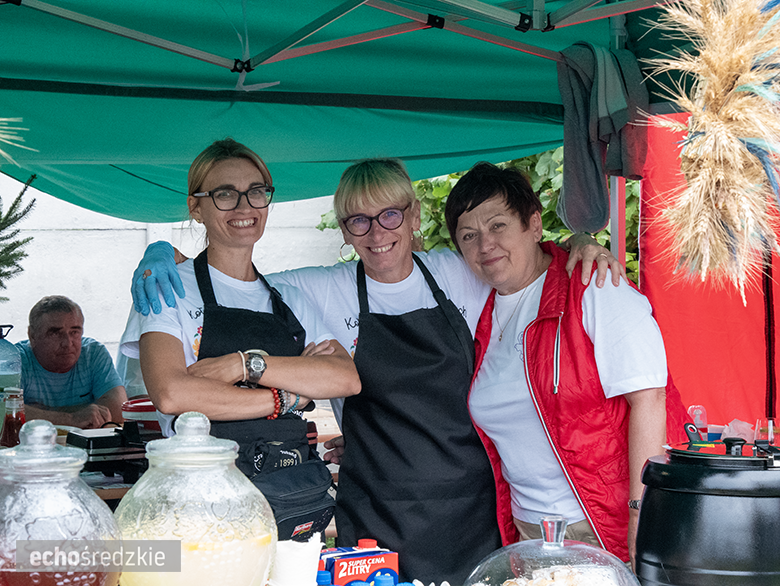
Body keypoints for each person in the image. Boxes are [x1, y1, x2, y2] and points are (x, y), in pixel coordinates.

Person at [131, 158, 622, 584]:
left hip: (473, 507)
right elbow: (234, 276)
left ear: (414, 215)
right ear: (345, 231)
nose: (377, 232)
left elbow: (524, 262)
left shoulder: (459, 272)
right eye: (359, 221)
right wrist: (163, 254)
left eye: (390, 215)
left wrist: (579, 244)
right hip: (375, 508)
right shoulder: (319, 290)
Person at [444, 162, 689, 567]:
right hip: (528, 532)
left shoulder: (594, 285)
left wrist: (641, 512)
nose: (485, 244)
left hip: (602, 526)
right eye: (468, 235)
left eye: (498, 225)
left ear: (533, 225)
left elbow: (650, 397)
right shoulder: (478, 312)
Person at [119, 138, 361, 540]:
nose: (244, 206)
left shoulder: (290, 298)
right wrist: (287, 398)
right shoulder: (167, 287)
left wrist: (244, 364)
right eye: (225, 194)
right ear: (196, 207)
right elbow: (173, 394)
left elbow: (344, 377)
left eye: (256, 192)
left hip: (289, 500)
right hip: (200, 508)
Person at [18, 295, 127, 428]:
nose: (67, 343)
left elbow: (119, 409)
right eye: (55, 333)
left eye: (74, 332)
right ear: (32, 335)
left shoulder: (92, 353)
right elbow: (5, 414)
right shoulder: (15, 360)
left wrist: (36, 412)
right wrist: (73, 418)